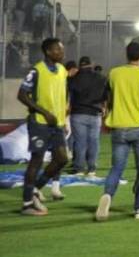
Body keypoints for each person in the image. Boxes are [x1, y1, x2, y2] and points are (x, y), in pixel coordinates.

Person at [96, 40, 139, 221]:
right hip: (138, 128)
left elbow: (106, 100)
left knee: (116, 168)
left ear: (126, 54)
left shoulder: (114, 73)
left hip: (119, 128)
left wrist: (106, 117)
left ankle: (107, 195)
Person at [17, 38, 69, 216]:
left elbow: (61, 94)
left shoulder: (62, 70)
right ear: (48, 51)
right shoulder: (36, 70)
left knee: (62, 159)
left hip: (58, 124)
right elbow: (22, 95)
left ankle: (35, 189)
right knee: (36, 161)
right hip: (40, 122)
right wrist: (45, 112)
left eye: (62, 50)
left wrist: (63, 116)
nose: (61, 53)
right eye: (58, 50)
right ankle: (27, 204)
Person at [67, 55, 107, 177]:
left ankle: (79, 168)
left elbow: (69, 95)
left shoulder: (73, 79)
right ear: (91, 64)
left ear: (80, 65)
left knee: (80, 142)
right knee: (94, 141)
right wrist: (104, 107)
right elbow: (106, 94)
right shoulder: (101, 78)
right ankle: (91, 169)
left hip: (78, 113)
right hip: (95, 113)